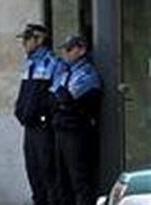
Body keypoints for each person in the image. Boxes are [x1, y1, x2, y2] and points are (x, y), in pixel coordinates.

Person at [51, 34, 103, 205]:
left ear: (81, 50)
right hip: (62, 128)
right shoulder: (67, 71)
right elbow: (52, 98)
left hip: (77, 131)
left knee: (79, 179)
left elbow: (66, 97)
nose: (65, 53)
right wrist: (60, 99)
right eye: (64, 49)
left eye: (69, 49)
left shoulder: (87, 73)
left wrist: (61, 99)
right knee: (62, 180)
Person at [14, 23, 61, 205]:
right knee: (33, 173)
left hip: (44, 128)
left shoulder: (54, 63)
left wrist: (42, 115)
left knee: (48, 173)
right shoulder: (30, 63)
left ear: (39, 39)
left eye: (27, 39)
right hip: (30, 127)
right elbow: (24, 95)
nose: (23, 43)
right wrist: (20, 112)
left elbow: (55, 97)